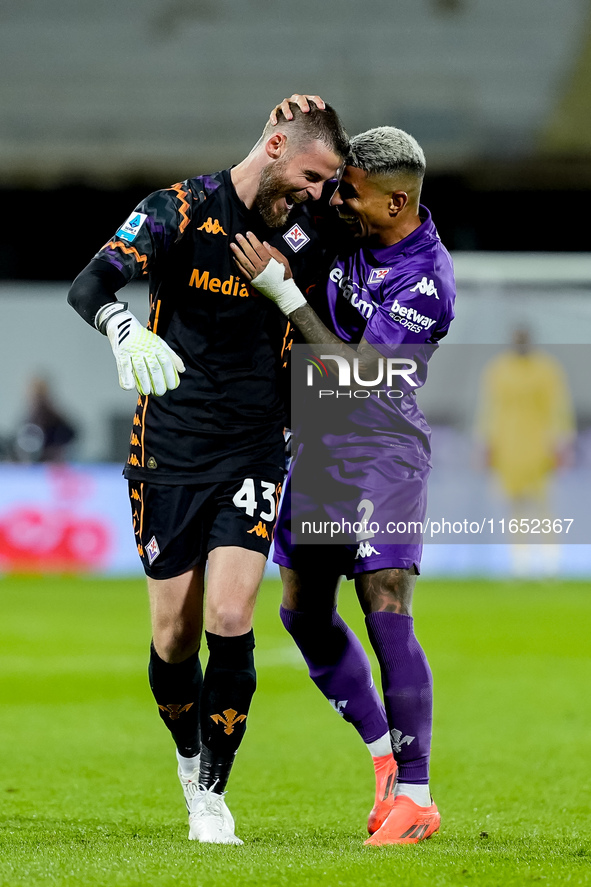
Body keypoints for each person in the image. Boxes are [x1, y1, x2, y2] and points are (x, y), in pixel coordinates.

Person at [67, 100, 348, 844]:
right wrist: (121, 324)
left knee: (231, 616)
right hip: (166, 450)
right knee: (172, 637)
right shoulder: (177, 210)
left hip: (254, 447)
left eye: (325, 184)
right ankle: (188, 758)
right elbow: (88, 284)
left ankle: (214, 795)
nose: (314, 193)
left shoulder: (307, 236)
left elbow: (332, 354)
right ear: (276, 144)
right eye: (309, 176)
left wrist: (285, 290)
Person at [232, 123, 456, 845]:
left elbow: (360, 376)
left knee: (382, 595)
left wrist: (282, 294)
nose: (336, 200)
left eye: (351, 192)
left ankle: (416, 797)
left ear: (395, 203)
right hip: (320, 445)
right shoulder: (353, 227)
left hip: (380, 444)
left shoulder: (425, 281)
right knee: (301, 611)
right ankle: (384, 757)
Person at [475, 327, 575, 574]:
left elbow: (558, 407)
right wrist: (486, 444)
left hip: (539, 443)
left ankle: (550, 562)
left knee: (543, 505)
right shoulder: (499, 369)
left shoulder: (546, 369)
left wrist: (562, 443)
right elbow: (489, 408)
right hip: (508, 445)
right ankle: (520, 562)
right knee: (514, 505)